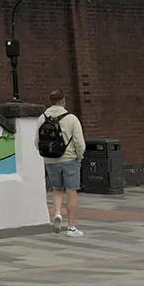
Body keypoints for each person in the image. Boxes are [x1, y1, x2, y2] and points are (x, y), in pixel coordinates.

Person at [39, 89, 86, 236]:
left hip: (50, 160)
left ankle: (57, 213)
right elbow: (80, 143)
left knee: (57, 189)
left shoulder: (42, 117)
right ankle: (71, 227)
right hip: (69, 159)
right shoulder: (71, 118)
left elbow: (36, 141)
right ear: (64, 100)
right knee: (71, 191)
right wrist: (79, 156)